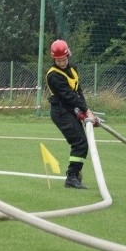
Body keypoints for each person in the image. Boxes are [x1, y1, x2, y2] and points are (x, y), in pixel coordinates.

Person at [45, 39, 99, 189]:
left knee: (82, 143)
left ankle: (75, 175)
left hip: (71, 109)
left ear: (68, 55)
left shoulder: (73, 68)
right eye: (58, 60)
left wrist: (85, 110)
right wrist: (85, 111)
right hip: (61, 112)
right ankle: (72, 176)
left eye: (64, 59)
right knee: (80, 142)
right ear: (53, 58)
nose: (62, 62)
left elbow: (77, 91)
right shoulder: (53, 75)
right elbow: (68, 95)